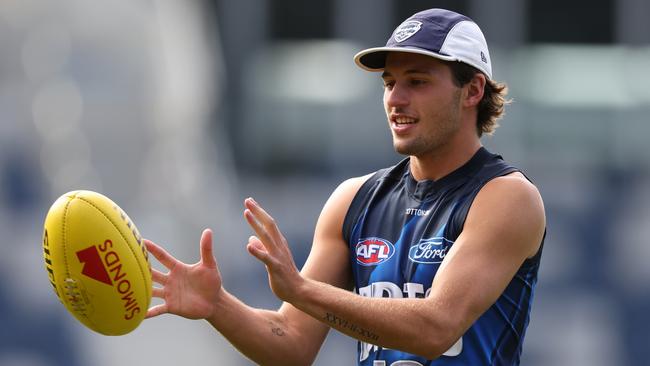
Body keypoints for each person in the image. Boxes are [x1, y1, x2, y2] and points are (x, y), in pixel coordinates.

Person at [144, 8, 546, 366]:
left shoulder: (505, 197)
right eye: (389, 83)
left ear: (473, 90)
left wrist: (302, 291)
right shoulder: (353, 200)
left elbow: (435, 329)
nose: (396, 99)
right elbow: (292, 345)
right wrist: (218, 305)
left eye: (417, 82)